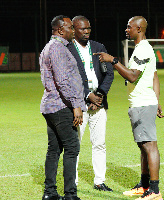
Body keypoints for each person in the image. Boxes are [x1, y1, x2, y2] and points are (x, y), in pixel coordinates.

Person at [94, 16, 164, 200]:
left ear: (139, 28)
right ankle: (144, 185)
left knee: (149, 145)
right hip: (142, 102)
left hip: (142, 103)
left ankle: (155, 190)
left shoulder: (143, 49)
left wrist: (113, 60)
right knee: (143, 146)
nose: (126, 30)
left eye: (129, 27)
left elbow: (133, 76)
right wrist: (156, 101)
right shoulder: (142, 48)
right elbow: (154, 76)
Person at [40, 15, 86, 200]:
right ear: (60, 29)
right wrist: (76, 105)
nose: (73, 30)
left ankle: (50, 192)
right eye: (70, 27)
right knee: (72, 147)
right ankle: (70, 195)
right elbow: (63, 81)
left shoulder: (49, 47)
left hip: (51, 106)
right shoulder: (57, 48)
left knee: (54, 149)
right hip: (61, 106)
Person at [67, 15, 114, 192]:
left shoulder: (98, 47)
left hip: (99, 104)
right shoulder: (68, 49)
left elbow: (109, 74)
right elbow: (69, 79)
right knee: (75, 145)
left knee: (99, 143)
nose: (86, 31)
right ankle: (74, 182)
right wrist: (88, 96)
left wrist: (99, 95)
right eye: (82, 29)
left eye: (88, 28)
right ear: (73, 29)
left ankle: (99, 181)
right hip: (79, 105)